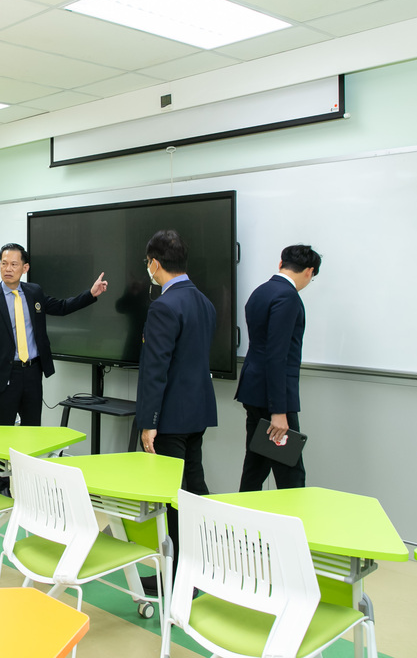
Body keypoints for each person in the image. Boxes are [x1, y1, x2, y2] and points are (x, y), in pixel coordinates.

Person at [0, 243, 107, 493]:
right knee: (1, 435)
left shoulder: (34, 292)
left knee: (32, 432)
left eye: (14, 264)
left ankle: (30, 484)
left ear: (25, 267)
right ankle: (2, 487)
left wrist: (90, 294)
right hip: (4, 376)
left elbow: (62, 307)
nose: (8, 268)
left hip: (32, 372)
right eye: (4, 263)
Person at [135, 229, 218, 595]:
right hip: (197, 413)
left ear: (155, 263)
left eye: (148, 263)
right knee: (194, 490)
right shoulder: (204, 302)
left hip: (169, 417)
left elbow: (156, 370)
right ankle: (202, 568)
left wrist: (148, 423)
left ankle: (178, 577)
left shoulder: (164, 306)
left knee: (173, 498)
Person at [235, 244, 322, 491]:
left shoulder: (261, 292)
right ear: (309, 271)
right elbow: (277, 356)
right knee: (291, 473)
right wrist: (278, 411)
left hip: (254, 391)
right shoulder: (288, 297)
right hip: (272, 398)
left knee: (256, 466)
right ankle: (293, 517)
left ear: (281, 264)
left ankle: (241, 514)